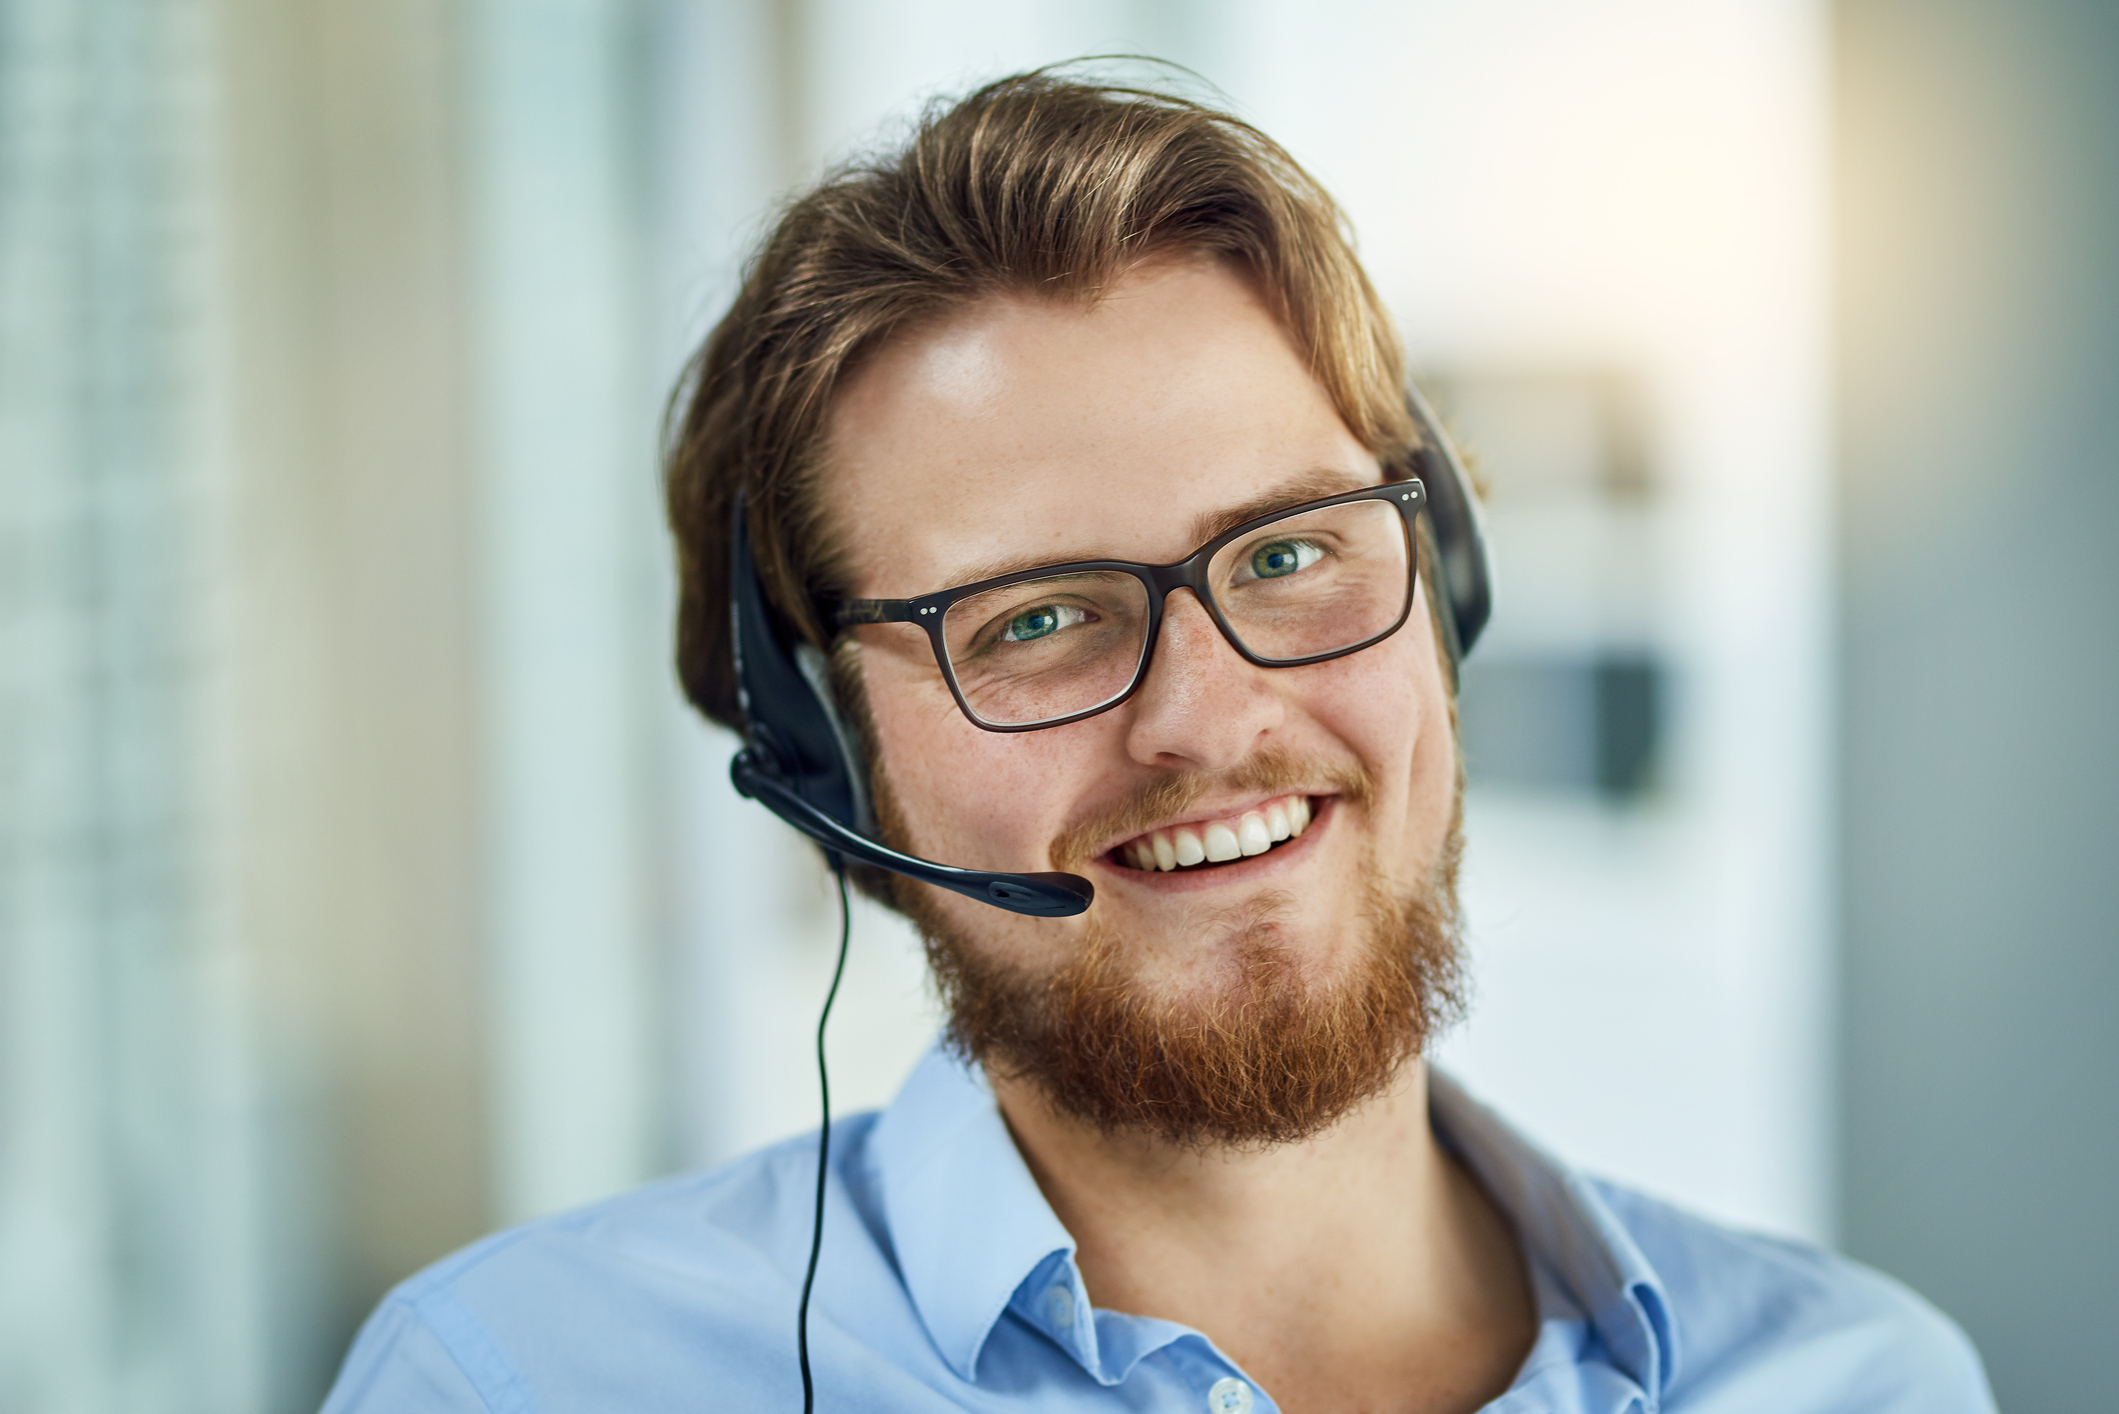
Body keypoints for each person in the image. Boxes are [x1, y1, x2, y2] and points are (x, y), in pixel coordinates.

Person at [322, 69, 1994, 1414]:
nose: (1205, 714)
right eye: (1036, 618)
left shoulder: (1865, 1381)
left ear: (1444, 587)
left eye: (1289, 551)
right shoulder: (525, 1381)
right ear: (829, 764)